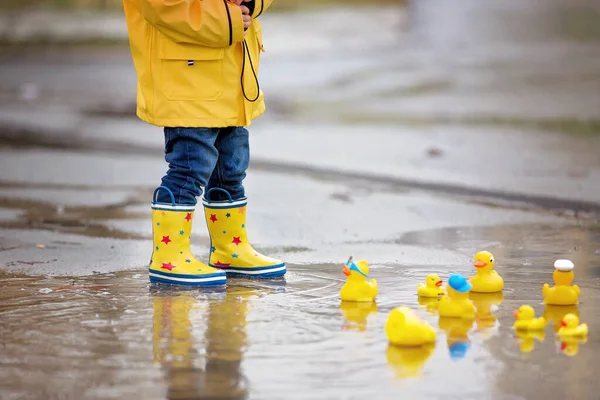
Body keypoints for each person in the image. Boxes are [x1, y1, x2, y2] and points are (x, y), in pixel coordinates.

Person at [123, 0, 286, 286]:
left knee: (231, 166)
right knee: (190, 167)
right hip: (186, 77)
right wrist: (225, 17)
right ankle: (169, 255)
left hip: (232, 74)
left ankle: (230, 248)